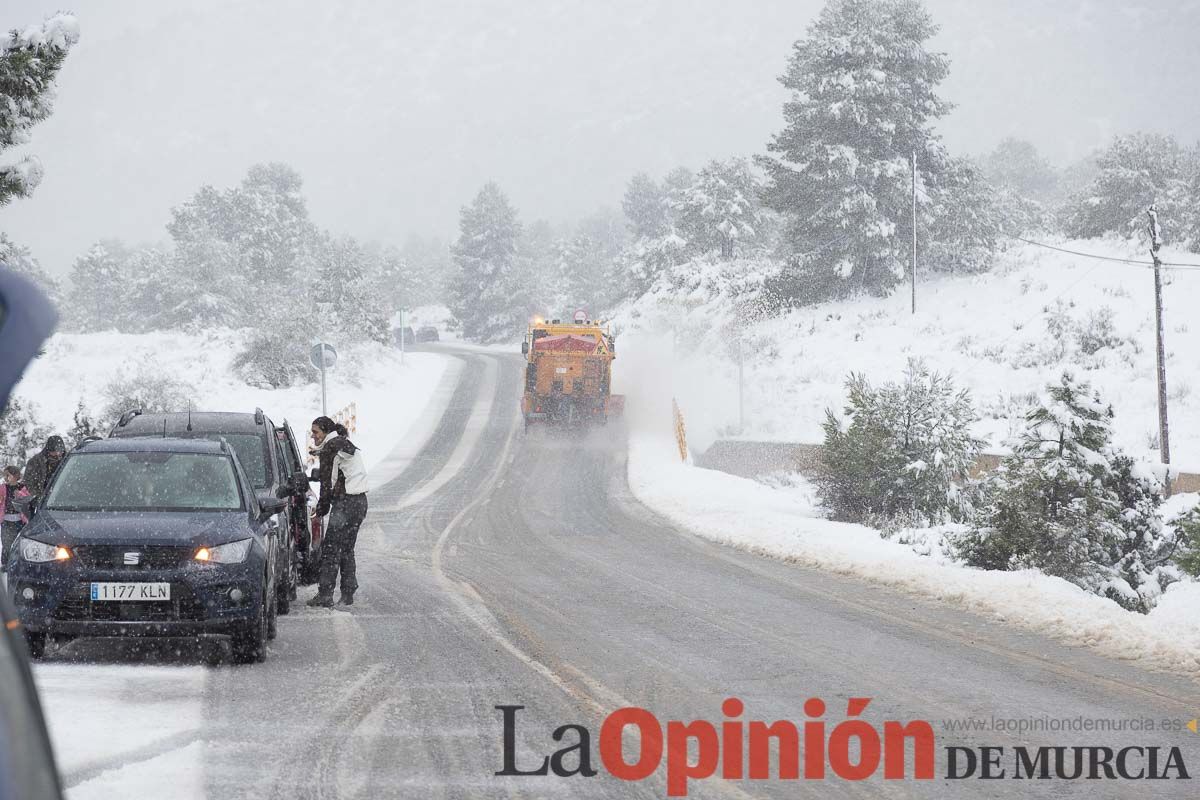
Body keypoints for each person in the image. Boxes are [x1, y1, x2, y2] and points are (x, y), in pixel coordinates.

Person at [306, 416, 368, 607]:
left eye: (315, 432)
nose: (313, 435)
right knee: (347, 548)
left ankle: (325, 595)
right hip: (360, 502)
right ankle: (348, 592)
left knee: (331, 549)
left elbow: (327, 484)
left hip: (345, 504)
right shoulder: (343, 442)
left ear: (325, 431)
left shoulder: (330, 449)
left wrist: (322, 508)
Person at [0, 466, 30, 569]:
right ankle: (5, 564)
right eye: (5, 475)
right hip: (6, 520)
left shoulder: (22, 487)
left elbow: (27, 499)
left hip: (19, 520)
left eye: (8, 475)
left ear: (16, 476)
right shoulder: (3, 487)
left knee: (19, 543)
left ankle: (18, 564)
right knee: (6, 543)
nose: (6, 477)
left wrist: (20, 495)